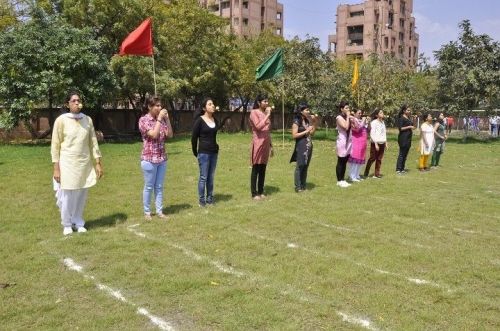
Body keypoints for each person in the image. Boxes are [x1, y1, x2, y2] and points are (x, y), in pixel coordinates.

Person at [51, 91, 103, 235]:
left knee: (82, 193)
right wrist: (56, 168)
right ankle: (67, 224)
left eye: (78, 100)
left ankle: (78, 221)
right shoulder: (61, 120)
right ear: (67, 104)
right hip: (67, 163)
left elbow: (93, 142)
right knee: (67, 194)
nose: (76, 102)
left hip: (84, 163)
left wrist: (97, 162)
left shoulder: (87, 120)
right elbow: (55, 145)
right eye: (73, 100)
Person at [138, 96, 173, 220]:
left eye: (160, 105)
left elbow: (170, 134)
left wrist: (167, 120)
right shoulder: (143, 120)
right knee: (149, 186)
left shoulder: (162, 120)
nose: (160, 108)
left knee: (159, 186)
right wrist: (159, 119)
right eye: (157, 105)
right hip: (149, 159)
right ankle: (147, 212)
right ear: (149, 106)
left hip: (162, 158)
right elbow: (153, 134)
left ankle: (159, 211)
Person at [191, 98, 219, 206]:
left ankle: (210, 199)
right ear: (204, 108)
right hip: (203, 153)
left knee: (210, 177)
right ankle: (202, 201)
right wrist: (195, 151)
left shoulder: (215, 120)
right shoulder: (199, 121)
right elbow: (194, 138)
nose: (213, 106)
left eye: (213, 104)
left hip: (214, 152)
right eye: (210, 104)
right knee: (203, 177)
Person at [249, 95, 273, 200]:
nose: (266, 103)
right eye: (264, 101)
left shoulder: (265, 114)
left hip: (266, 144)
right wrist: (267, 116)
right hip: (258, 143)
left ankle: (261, 190)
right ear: (259, 103)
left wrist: (271, 146)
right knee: (256, 168)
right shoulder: (254, 112)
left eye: (267, 101)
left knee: (263, 168)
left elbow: (268, 131)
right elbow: (258, 127)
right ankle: (254, 193)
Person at [290, 103, 317, 192]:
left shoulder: (307, 120)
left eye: (309, 110)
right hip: (301, 145)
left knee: (305, 166)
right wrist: (306, 131)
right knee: (300, 165)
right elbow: (294, 135)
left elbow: (312, 133)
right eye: (307, 110)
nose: (308, 111)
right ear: (301, 111)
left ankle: (303, 185)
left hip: (309, 145)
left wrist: (314, 122)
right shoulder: (296, 121)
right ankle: (298, 187)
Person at [364, 109, 388, 179]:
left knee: (379, 159)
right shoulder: (374, 122)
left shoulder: (383, 122)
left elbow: (384, 133)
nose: (382, 113)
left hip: (382, 143)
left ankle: (376, 174)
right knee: (372, 158)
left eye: (382, 112)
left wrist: (385, 142)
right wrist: (375, 143)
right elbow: (372, 134)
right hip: (375, 143)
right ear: (377, 115)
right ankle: (366, 172)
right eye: (380, 112)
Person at [335, 101, 354, 187]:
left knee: (345, 160)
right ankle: (339, 180)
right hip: (342, 140)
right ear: (341, 109)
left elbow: (354, 127)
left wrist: (353, 120)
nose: (348, 110)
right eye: (346, 108)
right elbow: (345, 127)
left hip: (349, 141)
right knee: (341, 160)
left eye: (348, 108)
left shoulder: (348, 117)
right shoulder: (339, 118)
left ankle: (343, 179)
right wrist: (348, 117)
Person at [348, 108, 368, 182]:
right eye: (358, 113)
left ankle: (357, 174)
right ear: (355, 113)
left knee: (360, 159)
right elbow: (357, 129)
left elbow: (367, 130)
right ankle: (352, 175)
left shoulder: (361, 121)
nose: (360, 114)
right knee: (355, 159)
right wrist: (363, 121)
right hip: (356, 142)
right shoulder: (353, 120)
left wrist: (366, 122)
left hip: (363, 143)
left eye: (361, 113)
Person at [396, 105, 415, 174]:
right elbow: (400, 128)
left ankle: (402, 168)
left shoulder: (409, 118)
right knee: (401, 154)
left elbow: (414, 126)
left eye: (410, 110)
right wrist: (409, 126)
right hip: (403, 138)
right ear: (404, 111)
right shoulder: (401, 118)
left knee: (405, 154)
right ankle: (398, 169)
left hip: (408, 138)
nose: (409, 111)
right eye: (408, 110)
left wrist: (414, 119)